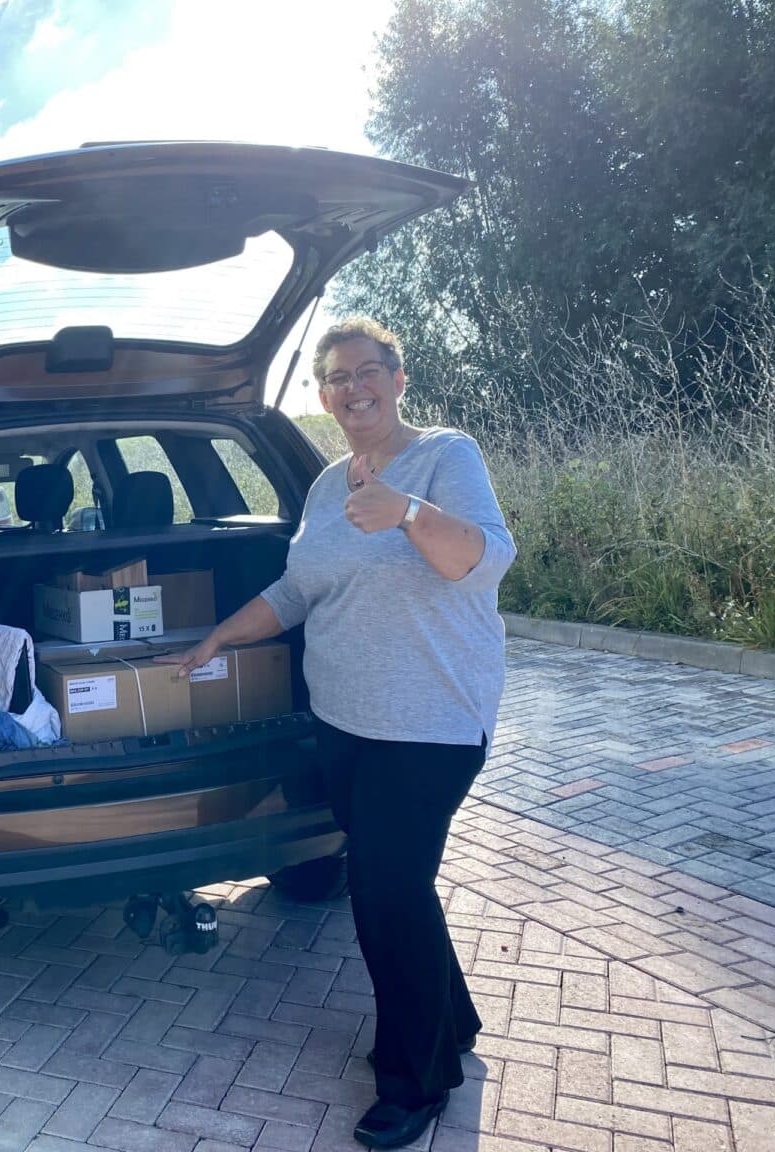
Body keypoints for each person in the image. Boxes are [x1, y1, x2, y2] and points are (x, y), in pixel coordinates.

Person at [160, 317, 516, 1149]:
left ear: (398, 377)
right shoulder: (326, 485)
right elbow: (295, 592)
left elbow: (485, 560)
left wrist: (407, 512)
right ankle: (452, 1018)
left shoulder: (446, 456)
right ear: (323, 396)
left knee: (385, 891)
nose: (355, 388)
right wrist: (217, 640)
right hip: (344, 722)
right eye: (337, 378)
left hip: (431, 723)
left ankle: (416, 1079)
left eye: (368, 371)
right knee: (399, 884)